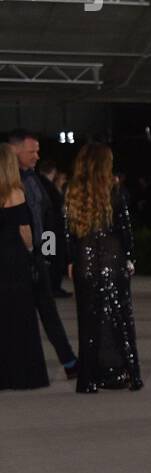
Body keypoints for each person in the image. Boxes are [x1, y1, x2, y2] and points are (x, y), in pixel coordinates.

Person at [63, 143, 142, 393]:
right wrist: (130, 257)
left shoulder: (71, 190)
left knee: (88, 320)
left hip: (85, 259)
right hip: (113, 257)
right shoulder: (115, 189)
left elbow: (66, 233)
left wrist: (70, 261)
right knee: (119, 316)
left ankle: (89, 378)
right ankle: (126, 372)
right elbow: (125, 227)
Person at [7, 130, 77, 379]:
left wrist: (47, 254)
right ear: (15, 151)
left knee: (47, 308)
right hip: (15, 258)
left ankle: (69, 362)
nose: (37, 156)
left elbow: (47, 219)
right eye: (32, 151)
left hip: (35, 255)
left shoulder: (34, 179)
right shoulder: (10, 184)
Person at [0, 144, 48, 389]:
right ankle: (24, 375)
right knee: (21, 318)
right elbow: (25, 232)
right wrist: (31, 253)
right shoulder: (15, 194)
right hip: (14, 261)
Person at [36, 159, 70, 297]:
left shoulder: (43, 184)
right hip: (51, 230)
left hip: (49, 230)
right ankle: (51, 287)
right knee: (52, 258)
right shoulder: (47, 186)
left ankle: (52, 286)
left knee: (51, 257)